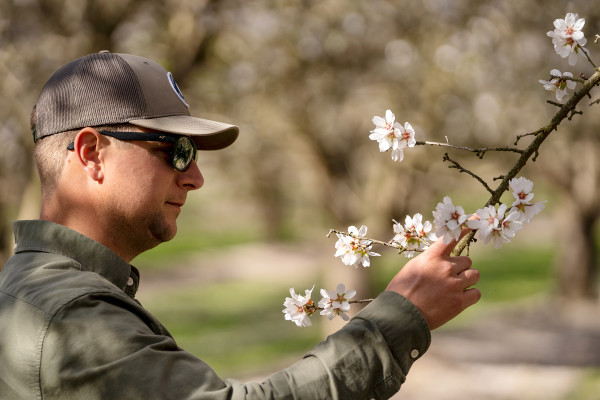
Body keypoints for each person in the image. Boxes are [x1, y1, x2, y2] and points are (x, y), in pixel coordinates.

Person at [0, 51, 481, 399]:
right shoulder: (71, 316)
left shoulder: (27, 292)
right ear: (91, 153)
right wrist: (397, 318)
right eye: (176, 150)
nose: (195, 177)